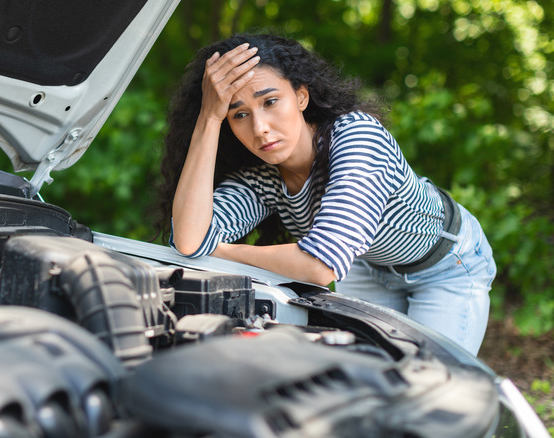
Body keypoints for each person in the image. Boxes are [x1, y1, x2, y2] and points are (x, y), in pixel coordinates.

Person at [153, 33, 496, 355]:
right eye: (239, 114)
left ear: (301, 96)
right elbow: (188, 240)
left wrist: (224, 251)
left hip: (445, 263)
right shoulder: (262, 175)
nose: (259, 128)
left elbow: (320, 265)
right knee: (372, 380)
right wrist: (209, 117)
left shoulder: (357, 137)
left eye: (270, 101)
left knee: (432, 387)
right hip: (365, 266)